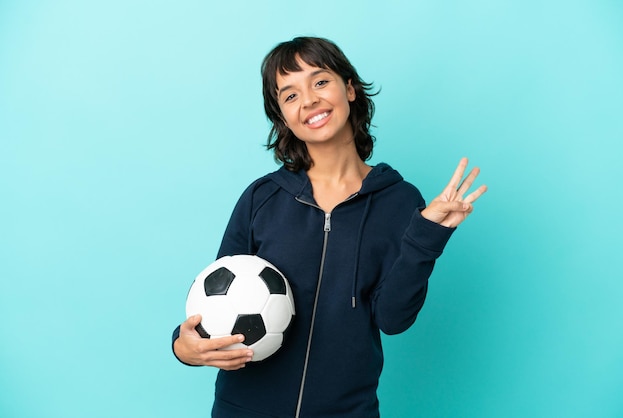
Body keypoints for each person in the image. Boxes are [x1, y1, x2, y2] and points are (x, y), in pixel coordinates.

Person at [172, 36, 487, 418]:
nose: (308, 101)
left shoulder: (400, 201)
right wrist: (182, 345)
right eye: (290, 96)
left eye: (320, 82)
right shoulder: (262, 199)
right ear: (282, 117)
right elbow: (215, 303)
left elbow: (393, 319)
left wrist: (428, 236)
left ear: (350, 88)